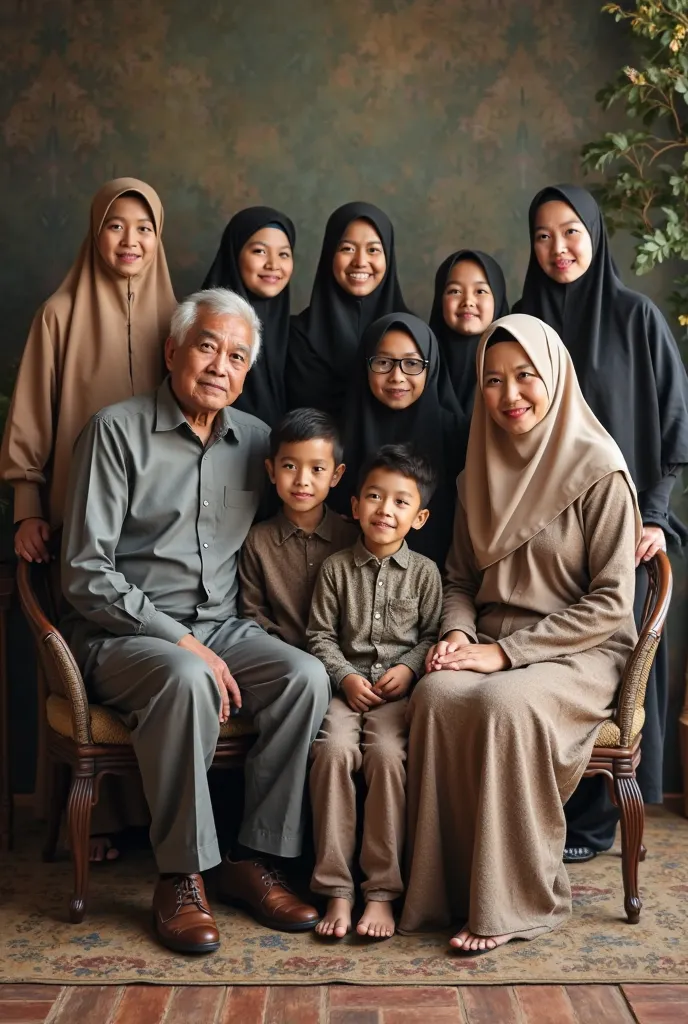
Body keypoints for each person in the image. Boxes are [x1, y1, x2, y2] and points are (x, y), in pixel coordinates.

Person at [60, 288, 330, 954]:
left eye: (237, 356)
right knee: (187, 678)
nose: (220, 365)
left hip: (225, 628)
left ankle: (250, 859)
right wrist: (180, 640)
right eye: (207, 346)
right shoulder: (115, 431)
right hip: (128, 637)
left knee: (304, 677)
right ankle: (180, 876)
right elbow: (85, 572)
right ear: (173, 350)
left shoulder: (261, 442)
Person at [400, 314, 640, 954]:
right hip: (489, 646)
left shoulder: (600, 469)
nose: (510, 396)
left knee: (507, 706)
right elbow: (456, 579)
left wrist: (504, 653)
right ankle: (445, 892)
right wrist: (455, 637)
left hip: (579, 651)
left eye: (526, 376)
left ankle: (513, 901)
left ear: (555, 377)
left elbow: (614, 603)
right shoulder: (476, 470)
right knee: (433, 696)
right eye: (494, 381)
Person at [0, 177, 176, 862]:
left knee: (153, 646)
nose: (130, 241)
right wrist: (26, 506)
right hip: (83, 520)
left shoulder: (178, 318)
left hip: (159, 530)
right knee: (94, 641)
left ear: (160, 239)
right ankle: (95, 820)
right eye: (115, 226)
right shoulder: (60, 314)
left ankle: (154, 816)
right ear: (94, 232)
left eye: (144, 228)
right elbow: (31, 419)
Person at [516, 184, 688, 861]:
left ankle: (597, 824)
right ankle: (540, 814)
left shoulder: (636, 317)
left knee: (611, 670)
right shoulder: (523, 322)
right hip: (545, 537)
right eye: (542, 236)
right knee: (549, 665)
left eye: (571, 233)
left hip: (625, 533)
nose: (558, 249)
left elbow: (674, 422)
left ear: (594, 236)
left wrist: (657, 516)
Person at [307, 444, 442, 939]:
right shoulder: (335, 569)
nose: (386, 510)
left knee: (387, 757)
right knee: (332, 752)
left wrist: (409, 669)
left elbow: (430, 635)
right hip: (345, 693)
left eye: (400, 502)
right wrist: (343, 674)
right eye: (375, 497)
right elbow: (319, 635)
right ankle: (336, 889)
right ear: (355, 504)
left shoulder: (427, 574)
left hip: (398, 700)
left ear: (420, 516)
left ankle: (382, 893)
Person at [333, 312, 465, 567]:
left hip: (442, 582)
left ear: (431, 366)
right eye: (383, 362)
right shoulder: (338, 433)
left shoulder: (457, 433)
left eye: (412, 364)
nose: (397, 376)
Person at [238, 407, 359, 648]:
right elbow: (253, 614)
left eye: (317, 469)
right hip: (283, 661)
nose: (302, 480)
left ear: (336, 475)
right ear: (272, 470)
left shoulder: (353, 537)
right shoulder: (257, 541)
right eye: (290, 466)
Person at [286, 202, 410, 419]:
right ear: (329, 254)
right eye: (347, 249)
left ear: (388, 257)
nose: (360, 262)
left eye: (373, 250)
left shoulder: (412, 333)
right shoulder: (298, 334)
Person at [202, 206, 295, 427]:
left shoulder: (298, 333)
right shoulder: (201, 321)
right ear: (234, 255)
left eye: (283, 254)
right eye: (259, 251)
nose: (273, 265)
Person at [429, 249, 509, 416]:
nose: (468, 302)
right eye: (454, 291)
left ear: (498, 298)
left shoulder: (516, 365)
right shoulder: (417, 364)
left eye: (480, 291)